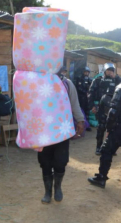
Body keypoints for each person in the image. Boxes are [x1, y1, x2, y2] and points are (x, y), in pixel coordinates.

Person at [40, 72, 85, 204]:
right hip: (43, 130)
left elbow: (74, 103)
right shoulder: (38, 82)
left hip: (62, 129)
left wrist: (80, 120)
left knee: (61, 161)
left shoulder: (67, 83)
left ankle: (57, 187)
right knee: (45, 162)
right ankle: (47, 192)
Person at [89, 63, 121, 155]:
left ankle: (110, 148)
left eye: (112, 70)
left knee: (113, 129)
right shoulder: (98, 80)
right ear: (105, 70)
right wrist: (92, 105)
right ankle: (98, 147)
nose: (110, 72)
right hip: (101, 107)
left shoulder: (117, 80)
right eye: (108, 70)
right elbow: (91, 93)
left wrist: (116, 77)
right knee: (101, 128)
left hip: (113, 108)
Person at [74, 66, 92, 131]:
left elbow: (92, 88)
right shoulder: (79, 79)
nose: (86, 73)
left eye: (87, 72)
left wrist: (89, 92)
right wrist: (85, 92)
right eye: (85, 72)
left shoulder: (90, 80)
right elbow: (78, 88)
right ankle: (81, 124)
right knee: (81, 111)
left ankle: (87, 125)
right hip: (81, 98)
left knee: (87, 111)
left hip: (87, 98)